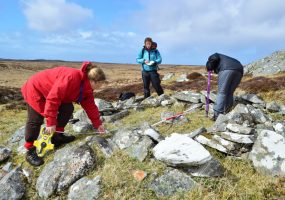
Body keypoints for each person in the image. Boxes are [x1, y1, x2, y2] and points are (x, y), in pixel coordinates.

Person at [21, 61, 106, 166]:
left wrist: (98, 124)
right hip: (36, 89)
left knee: (68, 108)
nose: (101, 87)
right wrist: (51, 122)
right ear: (94, 81)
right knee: (36, 120)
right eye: (100, 84)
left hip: (51, 93)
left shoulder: (87, 87)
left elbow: (90, 106)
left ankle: (57, 137)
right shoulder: (71, 77)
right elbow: (53, 98)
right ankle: (30, 150)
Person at [206, 53, 244, 120]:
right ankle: (227, 111)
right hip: (239, 69)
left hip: (227, 68)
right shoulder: (225, 58)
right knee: (229, 92)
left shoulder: (213, 56)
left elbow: (214, 58)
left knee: (222, 92)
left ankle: (216, 115)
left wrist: (209, 66)